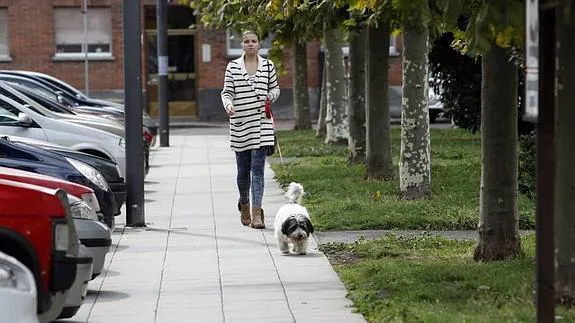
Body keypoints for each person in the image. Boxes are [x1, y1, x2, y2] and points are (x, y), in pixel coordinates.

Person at [221, 30, 280, 229]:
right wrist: (228, 106)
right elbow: (226, 92)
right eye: (246, 41)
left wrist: (270, 97)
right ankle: (244, 203)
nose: (250, 44)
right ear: (242, 45)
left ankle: (257, 213)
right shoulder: (233, 67)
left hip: (262, 124)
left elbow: (275, 88)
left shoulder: (268, 65)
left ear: (259, 44)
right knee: (242, 171)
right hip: (240, 125)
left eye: (254, 41)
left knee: (258, 171)